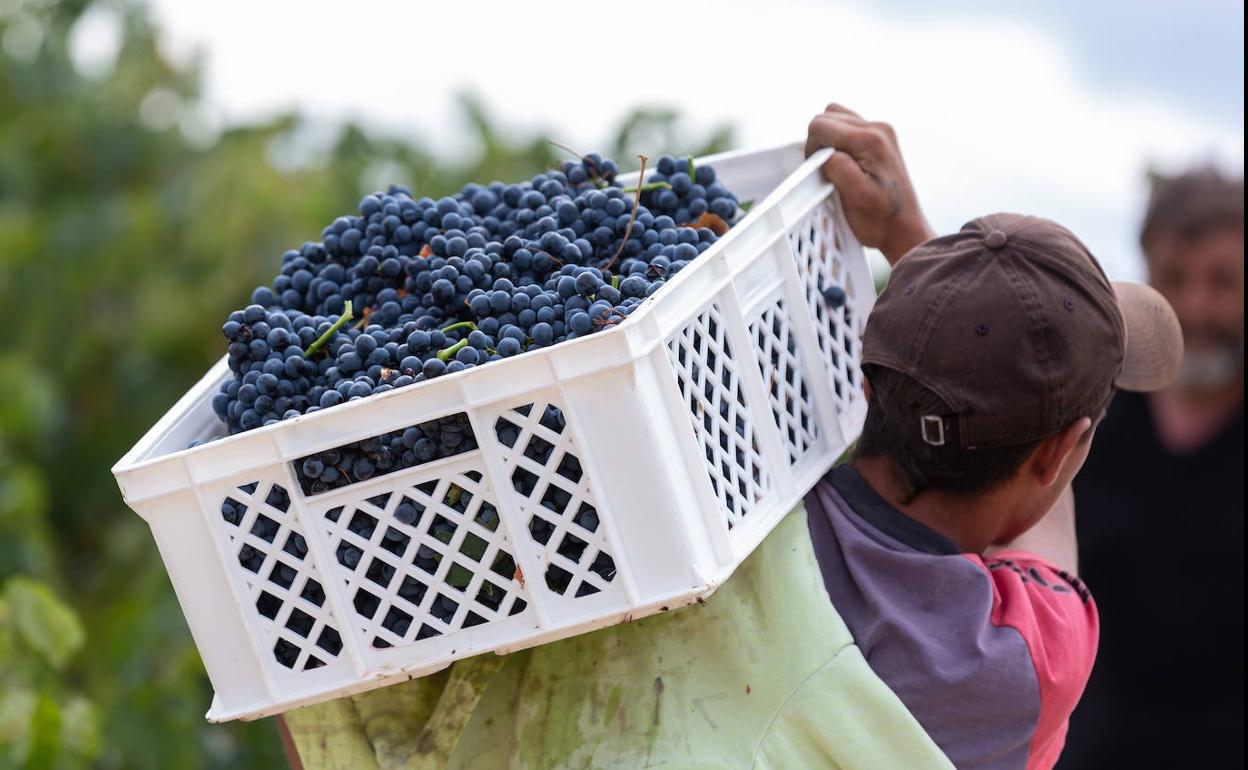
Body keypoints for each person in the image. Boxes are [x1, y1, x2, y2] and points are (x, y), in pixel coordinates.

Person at [281, 107, 1184, 769]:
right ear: (1058, 453)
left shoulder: (682, 505)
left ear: (864, 372)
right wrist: (920, 246)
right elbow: (1046, 550)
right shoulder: (1006, 666)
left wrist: (920, 258)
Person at [1058, 168, 1244, 768]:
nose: (1196, 305)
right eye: (1173, 279)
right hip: (1083, 748)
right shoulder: (1086, 415)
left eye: (1224, 281)